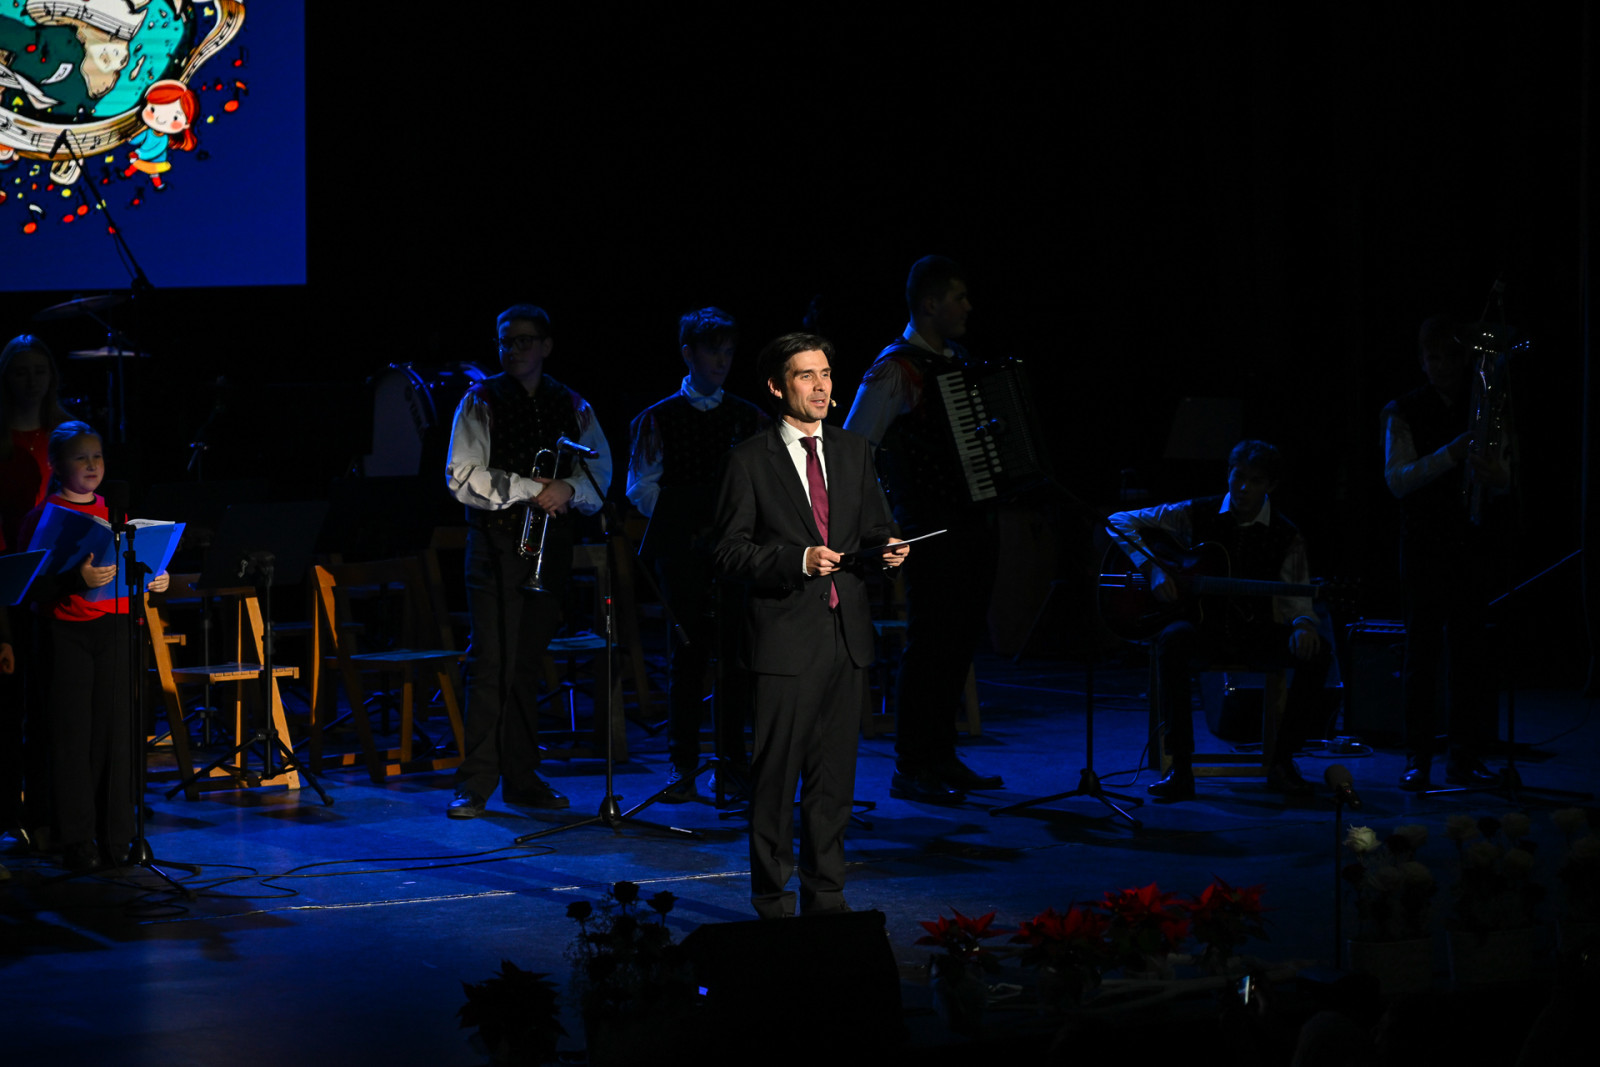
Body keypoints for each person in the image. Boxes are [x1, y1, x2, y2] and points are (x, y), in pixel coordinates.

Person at [713, 332, 906, 918]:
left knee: (833, 779)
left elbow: (872, 527)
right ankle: (772, 899)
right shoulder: (750, 460)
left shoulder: (853, 450)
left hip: (845, 634)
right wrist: (795, 560)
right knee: (775, 779)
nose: (821, 386)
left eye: (825, 374)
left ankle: (826, 894)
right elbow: (728, 552)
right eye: (806, 375)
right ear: (778, 387)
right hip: (785, 639)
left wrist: (888, 547)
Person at [842, 254, 1001, 804]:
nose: (968, 307)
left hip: (971, 518)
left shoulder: (957, 363)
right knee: (931, 639)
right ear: (930, 304)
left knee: (960, 638)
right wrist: (880, 519)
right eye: (959, 298)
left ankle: (940, 754)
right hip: (926, 524)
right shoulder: (896, 369)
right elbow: (854, 447)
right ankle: (912, 765)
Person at [443, 304, 612, 818]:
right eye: (505, 341)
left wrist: (568, 489)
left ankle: (521, 776)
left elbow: (600, 473)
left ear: (546, 346)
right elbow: (461, 474)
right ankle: (476, 780)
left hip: (549, 548)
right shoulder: (480, 399)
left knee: (526, 662)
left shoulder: (573, 404)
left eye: (523, 341)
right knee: (490, 661)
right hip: (495, 546)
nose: (513, 350)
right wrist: (529, 488)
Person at [1105, 439, 1332, 799]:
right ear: (1228, 473)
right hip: (1203, 630)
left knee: (1318, 653)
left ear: (1271, 485)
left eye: (1255, 481)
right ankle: (1181, 767)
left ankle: (1283, 762)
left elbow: (1297, 597)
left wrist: (1304, 624)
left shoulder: (1286, 534)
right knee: (1172, 639)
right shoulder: (1197, 512)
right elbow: (1118, 521)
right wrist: (1152, 569)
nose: (1243, 488)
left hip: (1254, 634)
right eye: (1237, 476)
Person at [626, 307, 766, 802]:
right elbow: (641, 487)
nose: (722, 362)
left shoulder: (748, 417)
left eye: (728, 353)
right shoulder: (658, 418)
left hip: (735, 554)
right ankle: (682, 763)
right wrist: (686, 513)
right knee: (687, 657)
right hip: (684, 552)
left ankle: (732, 763)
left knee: (736, 657)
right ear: (689, 354)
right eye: (712, 353)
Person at [17, 422, 169, 871]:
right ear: (56, 464)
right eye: (80, 457)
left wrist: (156, 577)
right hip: (65, 633)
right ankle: (77, 839)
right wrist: (74, 579)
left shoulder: (115, 512)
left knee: (116, 734)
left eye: (97, 456)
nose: (91, 465)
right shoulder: (43, 516)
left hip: (116, 628)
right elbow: (26, 586)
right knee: (72, 737)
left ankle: (117, 836)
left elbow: (135, 564)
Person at [1382, 316, 1507, 790]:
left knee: (1470, 654)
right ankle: (1418, 756)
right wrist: (1451, 455)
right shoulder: (1402, 410)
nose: (1441, 366)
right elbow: (1398, 480)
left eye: (1450, 357)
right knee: (1422, 653)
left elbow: (1505, 475)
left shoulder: (1484, 405)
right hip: (1424, 544)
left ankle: (1465, 755)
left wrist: (1496, 477)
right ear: (1422, 362)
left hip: (1471, 542)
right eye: (1432, 358)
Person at [0, 333, 71, 856]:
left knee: (52, 704)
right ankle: (8, 813)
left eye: (40, 371)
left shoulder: (64, 434)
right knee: (8, 705)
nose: (32, 381)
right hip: (7, 578)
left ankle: (50, 812)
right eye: (21, 371)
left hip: (55, 581)